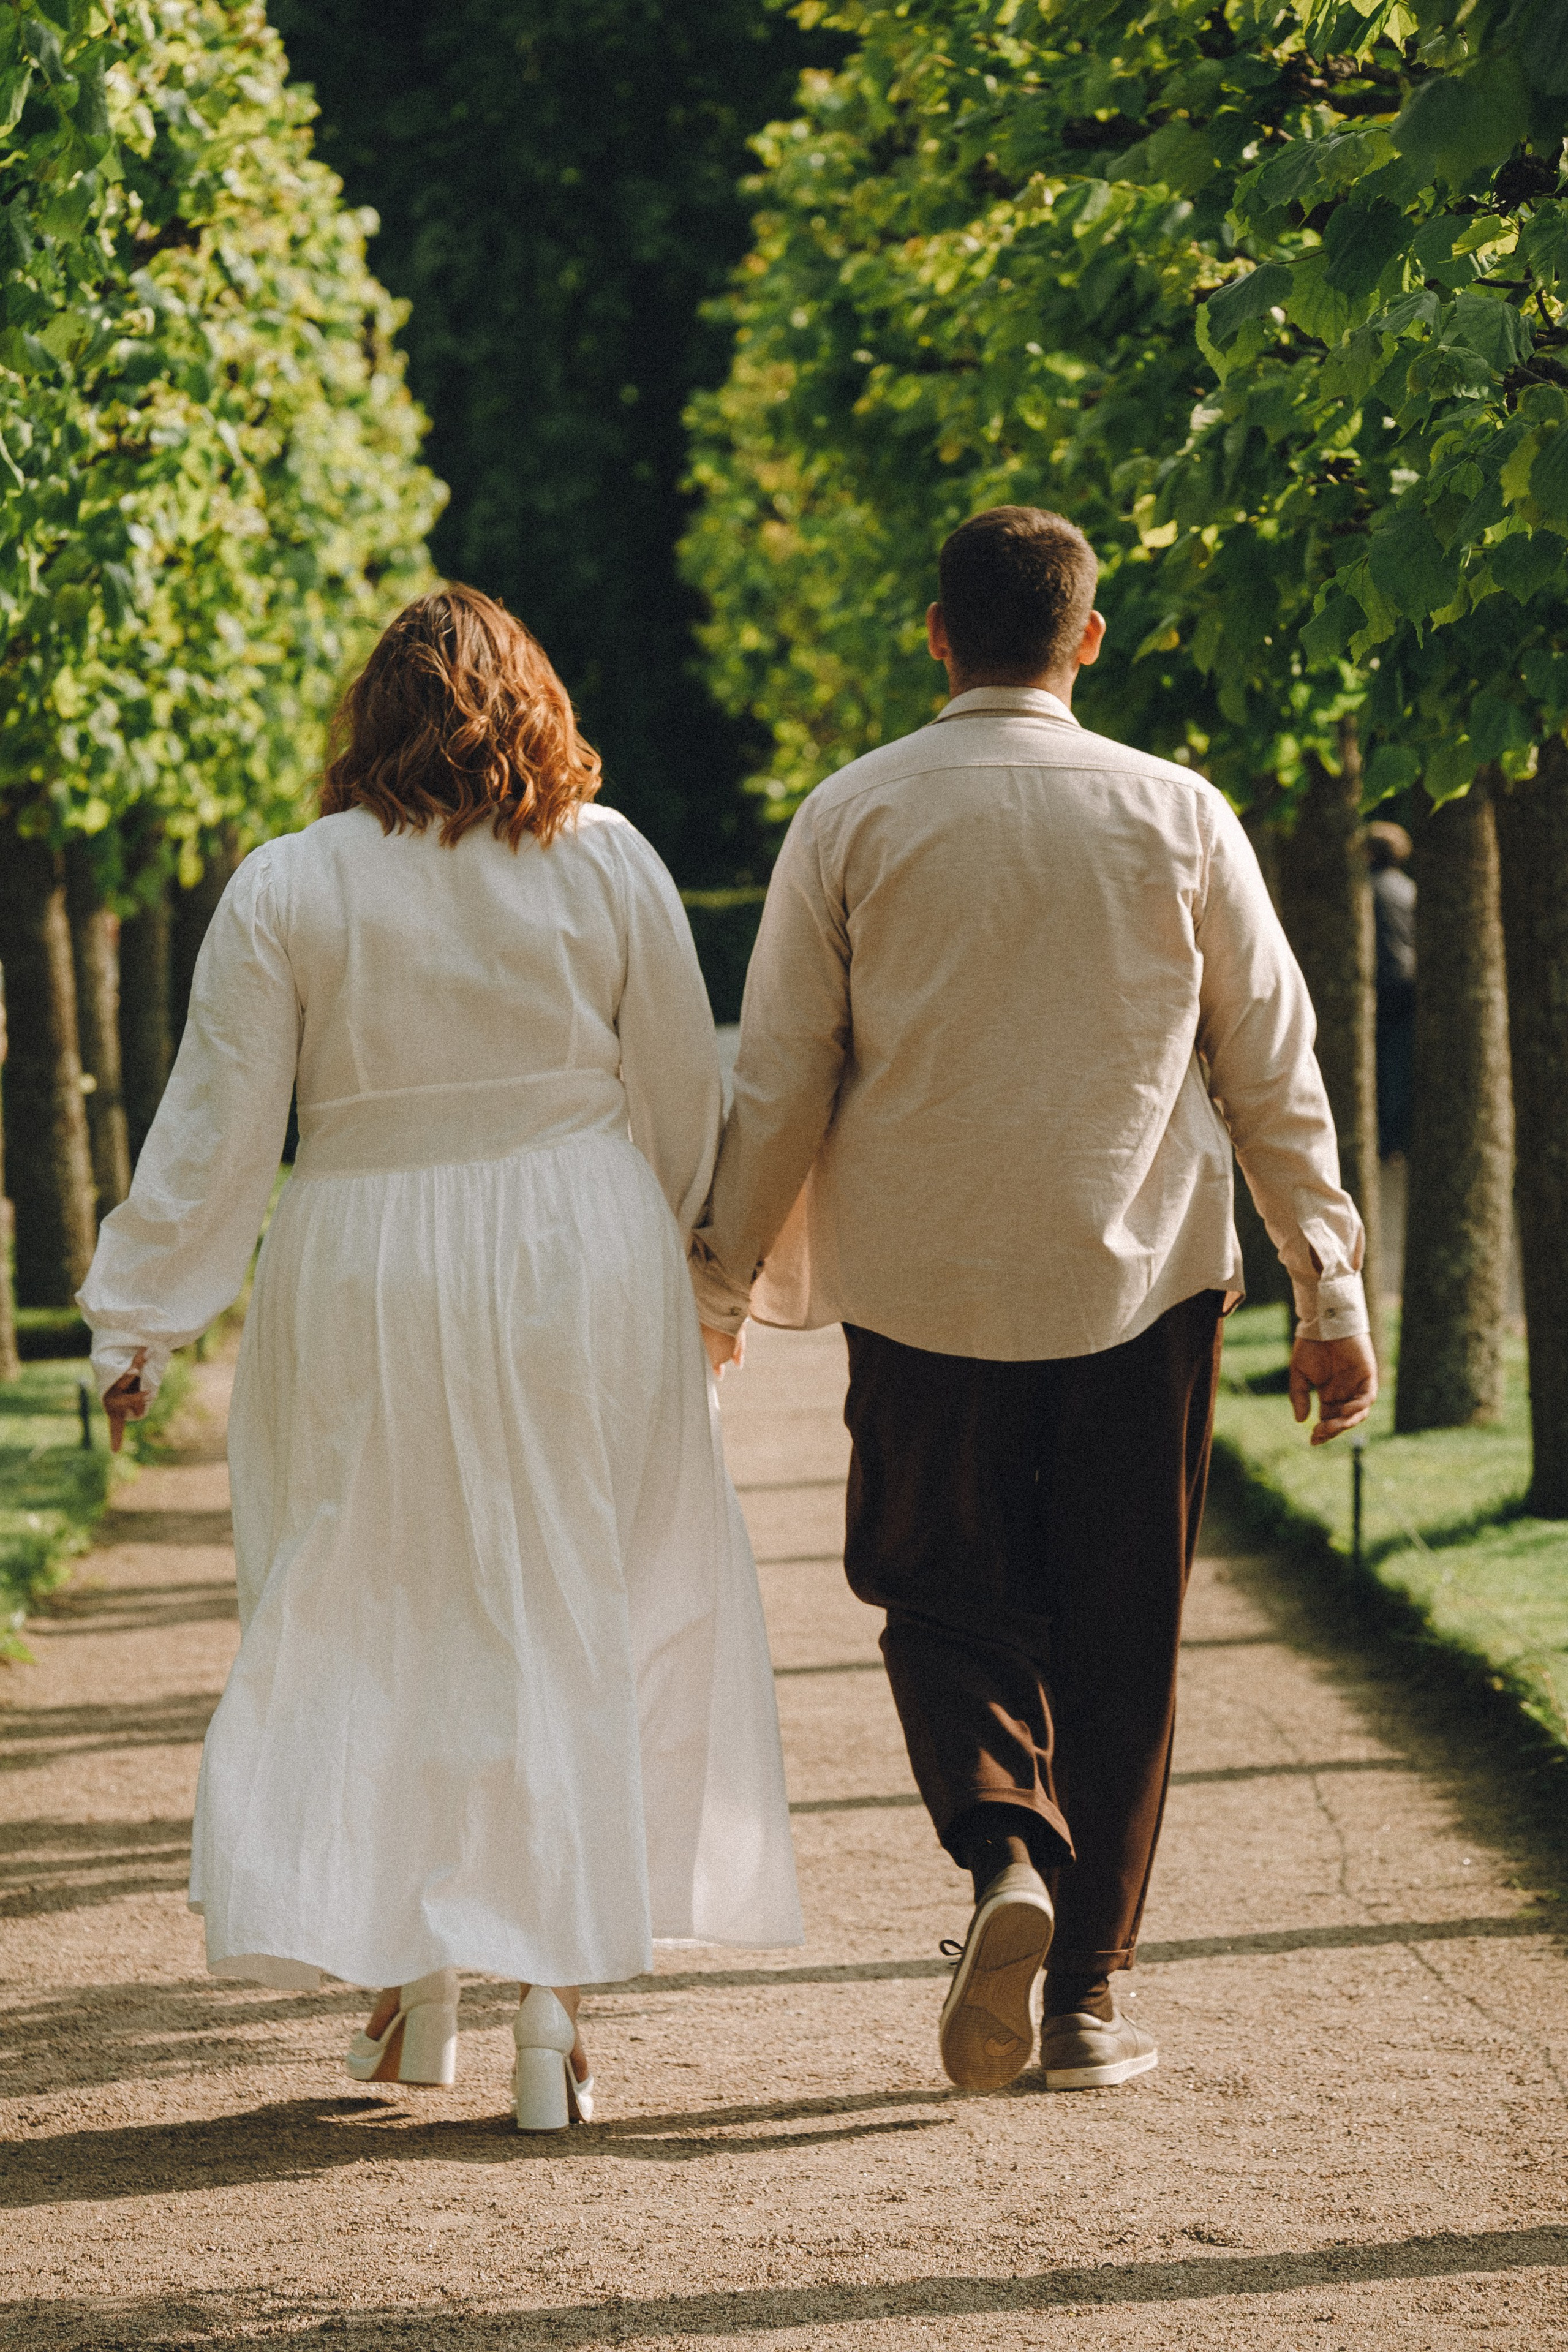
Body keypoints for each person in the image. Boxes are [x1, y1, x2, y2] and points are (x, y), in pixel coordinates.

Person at [78, 586, 802, 2132]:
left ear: (369, 721)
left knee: (372, 1598)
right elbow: (682, 1092)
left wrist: (141, 1316)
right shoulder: (606, 858)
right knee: (579, 1595)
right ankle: (550, 2005)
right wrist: (692, 1268)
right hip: (576, 1244)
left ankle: (412, 1972)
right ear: (536, 705)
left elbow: (217, 1125)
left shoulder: (291, 882)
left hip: (364, 1256)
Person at [690, 506, 1376, 2097]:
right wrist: (1327, 1281)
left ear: (937, 633)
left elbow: (782, 1075)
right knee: (1122, 1624)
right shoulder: (1178, 811)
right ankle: (1084, 1999)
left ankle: (1005, 1846)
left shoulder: (851, 814)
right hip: (1140, 1281)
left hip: (923, 1283)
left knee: (938, 1591)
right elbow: (1270, 1065)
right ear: (1089, 634)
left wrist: (722, 1281)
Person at [1368, 819, 1416, 1161]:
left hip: (1380, 983)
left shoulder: (1365, 890)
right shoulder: (1410, 889)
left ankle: (1381, 1137)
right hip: (1407, 982)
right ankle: (1394, 1137)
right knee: (1397, 1060)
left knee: (1379, 1062)